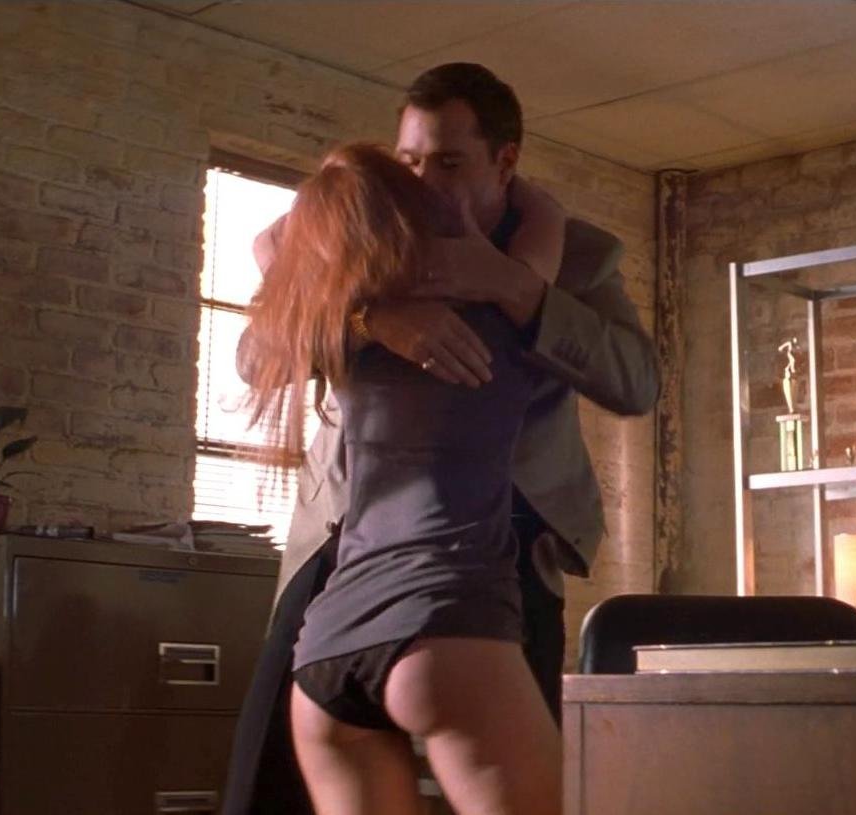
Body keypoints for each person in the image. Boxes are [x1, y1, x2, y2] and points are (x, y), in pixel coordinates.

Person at [222, 63, 660, 815]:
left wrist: (519, 293)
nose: (423, 182)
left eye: (449, 162)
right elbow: (256, 355)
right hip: (341, 547)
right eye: (410, 161)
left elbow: (637, 384)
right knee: (265, 788)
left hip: (497, 553)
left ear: (505, 162)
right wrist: (371, 318)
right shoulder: (363, 234)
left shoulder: (575, 256)